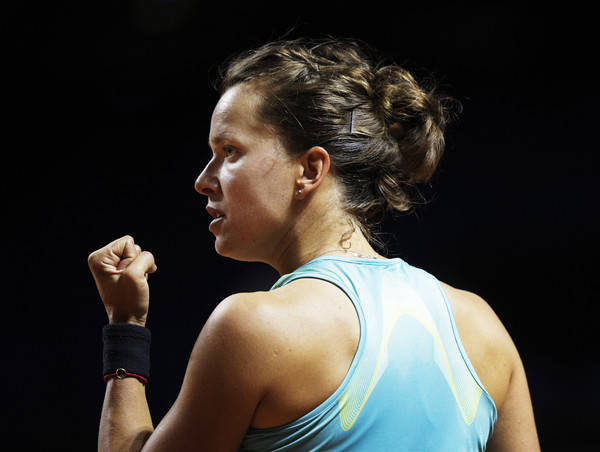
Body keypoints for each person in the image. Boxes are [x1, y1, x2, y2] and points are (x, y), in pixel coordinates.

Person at [88, 38, 540, 451]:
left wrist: (125, 325)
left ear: (310, 169)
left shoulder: (251, 327)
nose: (203, 180)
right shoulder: (482, 326)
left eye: (230, 151)